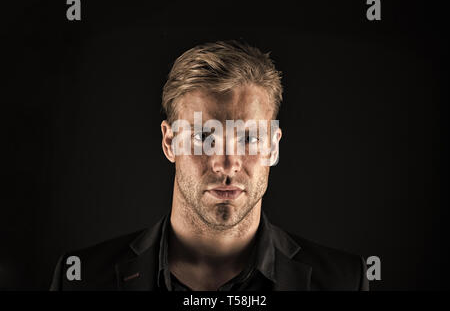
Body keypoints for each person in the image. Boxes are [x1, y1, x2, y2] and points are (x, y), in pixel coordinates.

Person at [50, 40, 369, 291]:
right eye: (204, 136)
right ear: (169, 142)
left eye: (248, 138)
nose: (226, 164)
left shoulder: (342, 281)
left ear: (273, 145)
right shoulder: (82, 278)